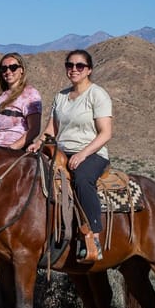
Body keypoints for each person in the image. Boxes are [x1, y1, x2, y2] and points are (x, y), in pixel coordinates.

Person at [27, 50, 113, 263]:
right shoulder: (61, 96)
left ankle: (94, 238)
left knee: (82, 178)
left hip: (92, 152)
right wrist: (37, 143)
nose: (74, 69)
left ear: (89, 70)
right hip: (62, 152)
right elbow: (51, 129)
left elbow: (106, 133)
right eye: (70, 65)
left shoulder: (97, 94)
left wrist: (83, 154)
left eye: (80, 66)